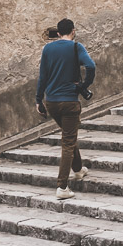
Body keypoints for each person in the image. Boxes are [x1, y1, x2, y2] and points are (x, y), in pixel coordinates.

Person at [35, 17, 96, 200]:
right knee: (68, 141)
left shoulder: (47, 48)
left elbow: (42, 77)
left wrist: (39, 100)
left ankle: (78, 170)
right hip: (69, 101)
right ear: (73, 31)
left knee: (69, 135)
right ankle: (62, 186)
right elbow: (91, 66)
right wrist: (83, 86)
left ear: (58, 33)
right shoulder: (77, 47)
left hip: (52, 102)